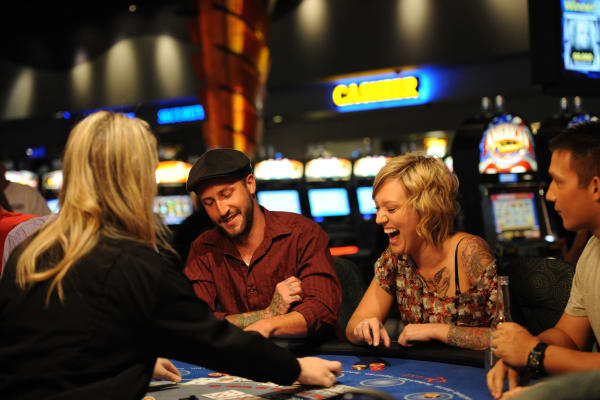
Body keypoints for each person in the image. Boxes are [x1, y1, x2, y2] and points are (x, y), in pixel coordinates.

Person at [0, 111, 341, 399]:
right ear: (131, 180)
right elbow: (210, 338)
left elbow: (57, 347)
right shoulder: (134, 263)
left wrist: (135, 358)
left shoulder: (29, 252)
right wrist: (294, 368)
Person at [486, 121, 600, 400]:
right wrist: (521, 351)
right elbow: (570, 336)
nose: (548, 195)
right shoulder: (592, 249)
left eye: (558, 182)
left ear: (596, 187)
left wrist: (535, 354)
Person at [184, 149, 342, 339]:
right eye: (209, 203)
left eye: (226, 194)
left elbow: (321, 311)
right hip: (241, 359)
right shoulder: (204, 249)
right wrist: (268, 314)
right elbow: (194, 322)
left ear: (250, 184)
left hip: (307, 357)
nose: (221, 210)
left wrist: (268, 326)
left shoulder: (302, 233)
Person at [346, 154, 498, 350]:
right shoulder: (395, 259)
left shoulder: (470, 252)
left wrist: (435, 330)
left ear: (427, 209)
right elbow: (353, 325)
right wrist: (363, 327)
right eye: (378, 208)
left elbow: (508, 339)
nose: (379, 219)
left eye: (391, 209)